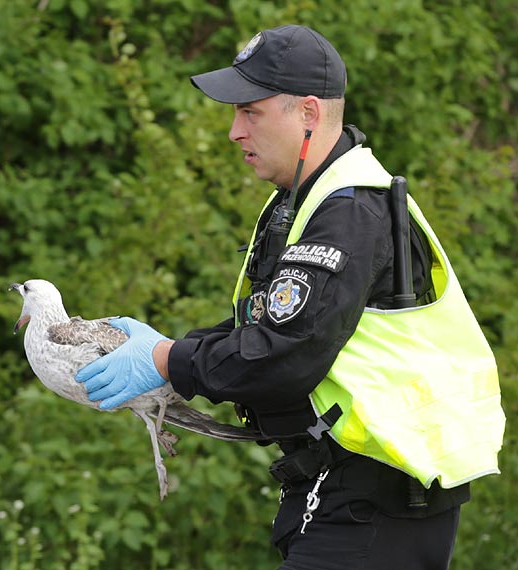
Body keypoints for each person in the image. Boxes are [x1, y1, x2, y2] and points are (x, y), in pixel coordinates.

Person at [75, 25, 505, 569]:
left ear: (306, 112)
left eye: (249, 112)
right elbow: (267, 323)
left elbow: (284, 354)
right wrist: (172, 349)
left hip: (380, 499)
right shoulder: (304, 200)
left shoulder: (347, 212)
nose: (234, 131)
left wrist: (166, 358)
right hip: (342, 489)